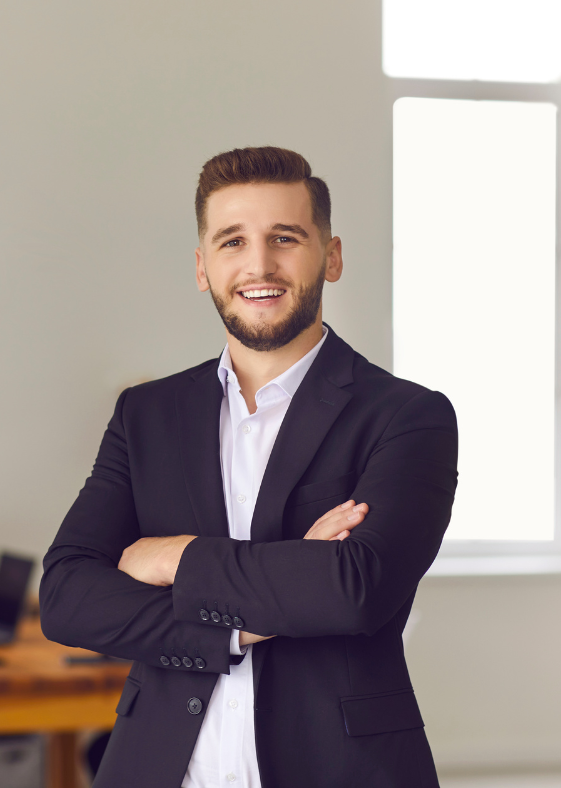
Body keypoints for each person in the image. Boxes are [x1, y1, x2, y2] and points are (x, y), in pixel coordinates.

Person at [40, 147, 458, 787]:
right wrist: (259, 610)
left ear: (332, 255)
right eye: (232, 242)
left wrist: (174, 558)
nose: (259, 265)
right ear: (203, 267)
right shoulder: (146, 415)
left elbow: (354, 589)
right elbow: (68, 596)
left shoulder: (408, 416)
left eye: (284, 238)